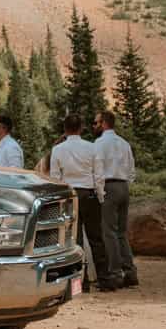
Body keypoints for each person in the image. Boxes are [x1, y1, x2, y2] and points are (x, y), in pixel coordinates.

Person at [48, 113, 114, 291]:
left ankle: (78, 283)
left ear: (64, 129)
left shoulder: (58, 150)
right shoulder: (92, 148)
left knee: (73, 241)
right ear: (81, 128)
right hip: (89, 194)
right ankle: (105, 280)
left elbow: (55, 177)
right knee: (96, 238)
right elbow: (99, 175)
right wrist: (100, 196)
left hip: (69, 196)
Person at [93, 110, 139, 289]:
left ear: (104, 123)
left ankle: (114, 274)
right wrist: (126, 183)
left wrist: (99, 192)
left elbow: (97, 170)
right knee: (121, 232)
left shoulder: (99, 144)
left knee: (108, 232)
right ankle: (130, 272)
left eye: (96, 123)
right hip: (123, 187)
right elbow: (132, 170)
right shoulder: (124, 143)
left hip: (109, 187)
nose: (94, 126)